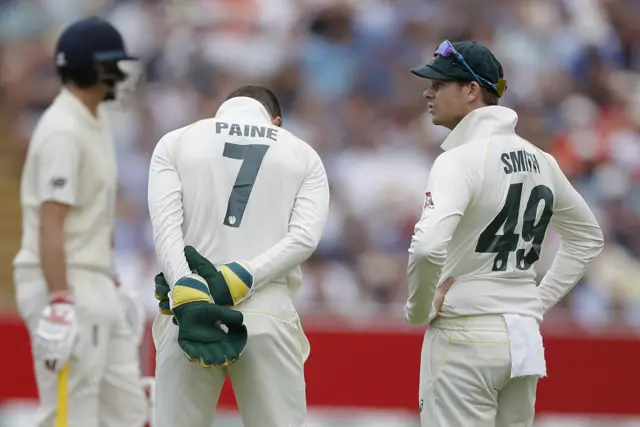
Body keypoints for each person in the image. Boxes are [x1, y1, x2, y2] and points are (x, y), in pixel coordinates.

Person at [406, 40, 604, 427]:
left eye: (440, 83)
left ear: (471, 90)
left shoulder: (458, 159)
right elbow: (587, 238)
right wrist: (533, 303)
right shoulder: (541, 159)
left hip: (465, 334)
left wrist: (418, 310)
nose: (427, 92)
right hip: (523, 340)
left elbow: (428, 248)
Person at [148, 85, 330, 427]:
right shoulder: (303, 153)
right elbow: (304, 238)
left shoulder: (178, 141)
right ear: (276, 121)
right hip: (267, 310)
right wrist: (241, 277)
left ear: (222, 112)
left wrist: (184, 284)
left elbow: (165, 228)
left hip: (189, 310)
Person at [13, 17, 147, 427]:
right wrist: (59, 300)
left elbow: (96, 216)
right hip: (65, 283)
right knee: (70, 413)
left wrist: (111, 280)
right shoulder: (62, 130)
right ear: (94, 68)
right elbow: (50, 224)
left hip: (94, 283)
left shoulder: (96, 122)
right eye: (114, 65)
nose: (122, 75)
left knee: (129, 411)